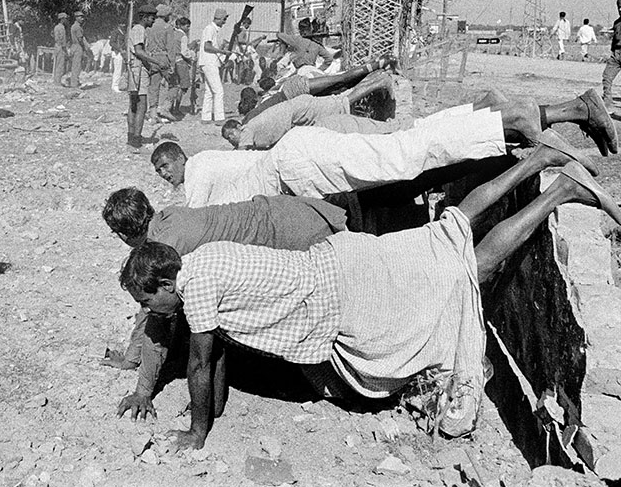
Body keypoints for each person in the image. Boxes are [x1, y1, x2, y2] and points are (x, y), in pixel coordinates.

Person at [122, 151, 621, 450]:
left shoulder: (196, 289)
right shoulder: (203, 257)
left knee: (468, 269)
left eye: (147, 301)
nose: (149, 312)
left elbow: (201, 363)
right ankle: (537, 163)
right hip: (340, 257)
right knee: (446, 232)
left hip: (346, 294)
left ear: (165, 284)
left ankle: (559, 193)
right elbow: (215, 357)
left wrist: (198, 433)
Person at [102, 188, 347, 419]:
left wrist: (142, 391)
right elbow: (150, 312)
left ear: (122, 234)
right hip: (290, 211)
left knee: (322, 316)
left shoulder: (166, 246)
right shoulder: (169, 219)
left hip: (296, 234)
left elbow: (154, 324)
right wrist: (132, 358)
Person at [152, 90, 614, 207]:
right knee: (404, 147)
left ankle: (513, 119)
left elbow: (191, 222)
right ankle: (507, 112)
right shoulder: (210, 162)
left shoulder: (197, 173)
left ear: (176, 160)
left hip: (296, 168)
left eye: (164, 169)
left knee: (404, 154)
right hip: (297, 159)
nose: (167, 178)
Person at [222, 72, 395, 150]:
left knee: (343, 101)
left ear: (238, 127)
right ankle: (376, 78)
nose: (231, 141)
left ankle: (380, 81)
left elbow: (241, 154)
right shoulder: (254, 121)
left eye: (231, 136)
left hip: (300, 109)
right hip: (297, 108)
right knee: (342, 94)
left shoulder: (247, 128)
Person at [242, 52, 397, 122]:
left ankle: (380, 63)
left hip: (294, 92)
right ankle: (376, 66)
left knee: (340, 81)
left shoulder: (253, 118)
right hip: (293, 89)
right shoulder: (263, 99)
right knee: (340, 83)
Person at [126, 5, 159, 149]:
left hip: (135, 68)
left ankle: (131, 137)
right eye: (152, 18)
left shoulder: (136, 29)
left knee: (133, 105)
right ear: (145, 17)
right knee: (141, 106)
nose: (153, 21)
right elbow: (139, 51)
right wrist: (157, 62)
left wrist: (150, 65)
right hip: (138, 71)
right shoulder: (139, 30)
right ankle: (136, 140)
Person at [144, 4, 180, 123]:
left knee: (154, 87)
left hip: (152, 58)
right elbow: (171, 48)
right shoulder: (167, 27)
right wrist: (172, 64)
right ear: (166, 15)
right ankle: (166, 107)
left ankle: (153, 114)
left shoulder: (149, 27)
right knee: (174, 84)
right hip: (164, 58)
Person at [199, 9, 235, 123]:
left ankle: (206, 117)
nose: (224, 22)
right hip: (209, 62)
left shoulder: (212, 29)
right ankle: (219, 118)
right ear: (218, 18)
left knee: (209, 91)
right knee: (219, 91)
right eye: (224, 19)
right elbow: (207, 47)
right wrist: (223, 52)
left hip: (209, 62)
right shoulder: (210, 29)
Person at [604, 0, 621, 106]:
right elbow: (614, 39)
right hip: (616, 54)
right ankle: (607, 103)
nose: (620, 9)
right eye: (619, 7)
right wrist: (612, 51)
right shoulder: (616, 23)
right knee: (607, 77)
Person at [69, 10, 89, 88]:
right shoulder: (77, 27)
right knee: (77, 66)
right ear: (76, 18)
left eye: (82, 17)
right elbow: (80, 39)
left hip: (74, 46)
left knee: (75, 65)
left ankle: (74, 82)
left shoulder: (73, 26)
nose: (82, 19)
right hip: (78, 46)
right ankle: (74, 84)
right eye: (80, 17)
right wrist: (84, 48)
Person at [52, 13, 69, 86]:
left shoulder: (56, 27)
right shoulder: (61, 27)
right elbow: (62, 39)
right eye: (65, 19)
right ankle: (58, 82)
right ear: (62, 19)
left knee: (57, 64)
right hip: (61, 47)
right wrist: (65, 49)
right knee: (60, 64)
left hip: (57, 46)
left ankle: (56, 80)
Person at [109, 24, 125, 93]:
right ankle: (115, 85)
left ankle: (115, 85)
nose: (123, 25)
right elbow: (111, 42)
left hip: (121, 52)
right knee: (117, 70)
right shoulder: (115, 32)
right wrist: (119, 49)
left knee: (120, 69)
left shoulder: (123, 32)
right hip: (117, 52)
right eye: (122, 24)